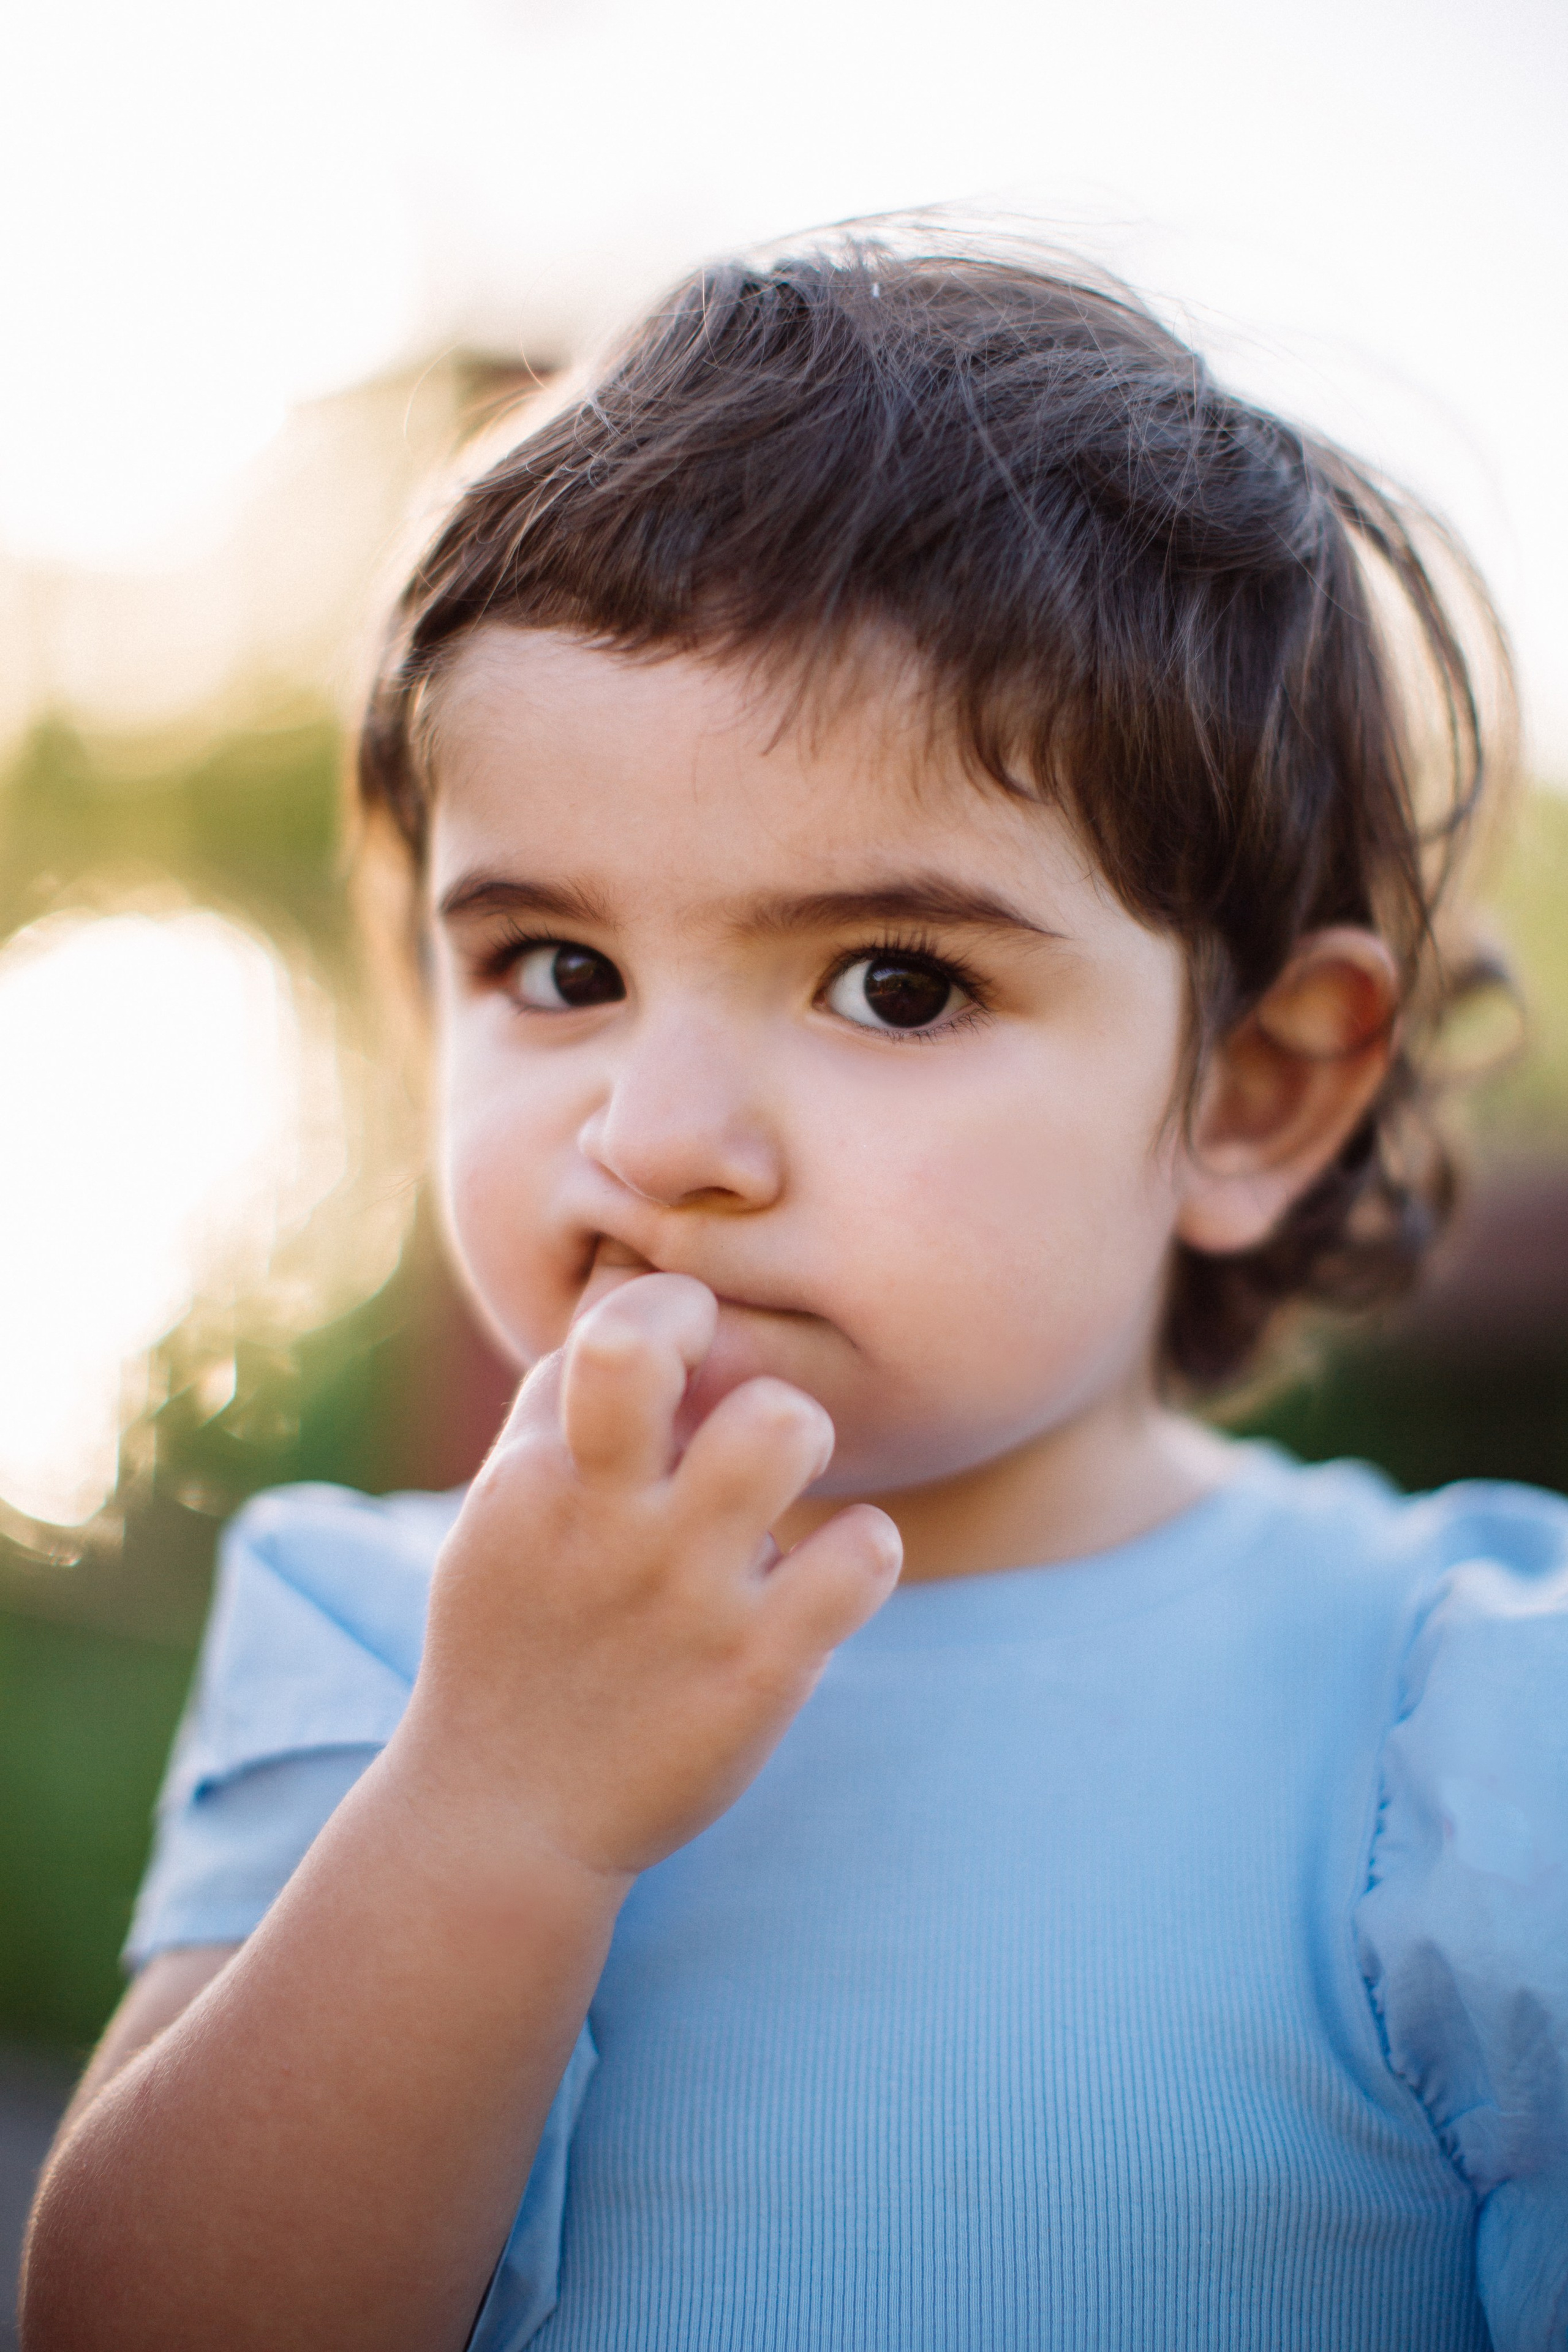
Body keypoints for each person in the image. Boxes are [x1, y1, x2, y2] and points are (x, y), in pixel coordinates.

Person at [20, 236, 1567, 2352]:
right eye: (558, 968)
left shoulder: (1459, 1712)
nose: (658, 1134)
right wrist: (495, 1809)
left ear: (1256, 1089)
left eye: (894, 985)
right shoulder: (378, 1647)